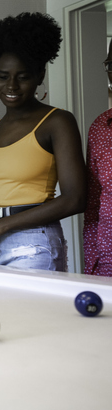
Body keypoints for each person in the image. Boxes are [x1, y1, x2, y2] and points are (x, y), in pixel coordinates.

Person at [0, 12, 86, 271]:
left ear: (40, 76)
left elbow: (75, 198)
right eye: (3, 76)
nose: (12, 86)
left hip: (34, 244)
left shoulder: (57, 122)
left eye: (23, 76)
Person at [83, 38, 112, 276]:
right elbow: (93, 204)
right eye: (111, 65)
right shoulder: (100, 126)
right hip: (107, 264)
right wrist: (93, 262)